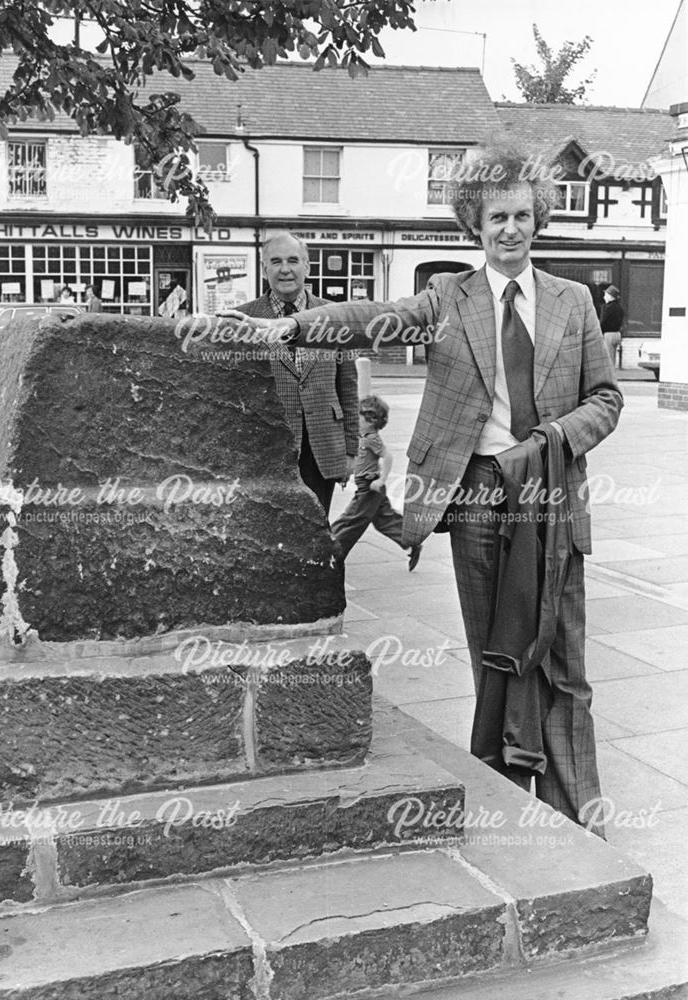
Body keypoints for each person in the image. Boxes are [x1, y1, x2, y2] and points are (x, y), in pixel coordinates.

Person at [213, 147, 623, 835]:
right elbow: (367, 319)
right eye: (497, 217)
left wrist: (552, 440)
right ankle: (501, 792)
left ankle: (577, 809)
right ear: (474, 223)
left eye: (522, 215)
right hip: (475, 499)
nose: (511, 229)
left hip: (548, 496)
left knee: (561, 656)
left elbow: (606, 398)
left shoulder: (572, 301)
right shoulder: (445, 301)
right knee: (494, 652)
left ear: (538, 218)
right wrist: (292, 325)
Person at [236, 232, 358, 516]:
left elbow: (349, 388)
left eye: (293, 260)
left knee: (316, 529)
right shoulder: (243, 319)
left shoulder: (334, 315)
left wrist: (351, 450)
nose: (285, 269)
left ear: (307, 266)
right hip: (267, 451)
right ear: (264, 267)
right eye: (275, 261)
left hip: (323, 449)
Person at [332, 394, 421, 571]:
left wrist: (381, 479)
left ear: (371, 420)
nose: (355, 420)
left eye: (358, 417)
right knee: (384, 520)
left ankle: (334, 549)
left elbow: (387, 456)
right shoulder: (364, 436)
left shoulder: (372, 438)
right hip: (367, 484)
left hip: (370, 486)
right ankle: (412, 541)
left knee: (353, 518)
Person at [600, 285, 624, 368]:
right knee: (613, 359)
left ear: (610, 296)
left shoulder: (608, 308)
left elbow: (603, 322)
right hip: (617, 334)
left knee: (608, 359)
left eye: (606, 295)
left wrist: (599, 332)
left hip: (608, 335)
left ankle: (610, 378)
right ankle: (612, 376)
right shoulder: (619, 307)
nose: (604, 297)